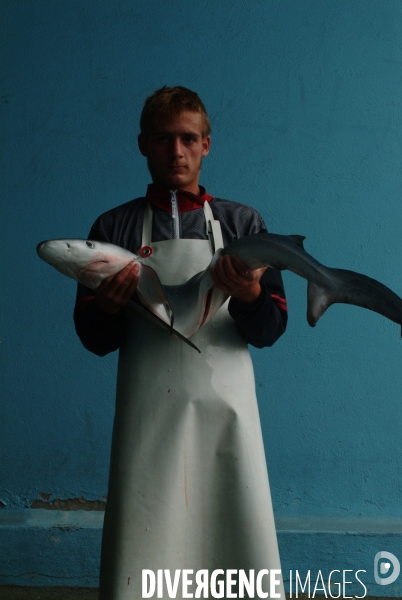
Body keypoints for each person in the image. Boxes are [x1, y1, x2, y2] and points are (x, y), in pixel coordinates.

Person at [74, 86, 288, 600]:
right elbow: (92, 338)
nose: (177, 151)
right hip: (148, 413)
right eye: (164, 139)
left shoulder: (244, 225)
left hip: (227, 412)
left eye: (188, 139)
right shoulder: (112, 229)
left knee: (238, 542)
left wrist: (254, 292)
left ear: (207, 145)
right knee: (146, 534)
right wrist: (107, 305)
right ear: (143, 145)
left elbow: (271, 330)